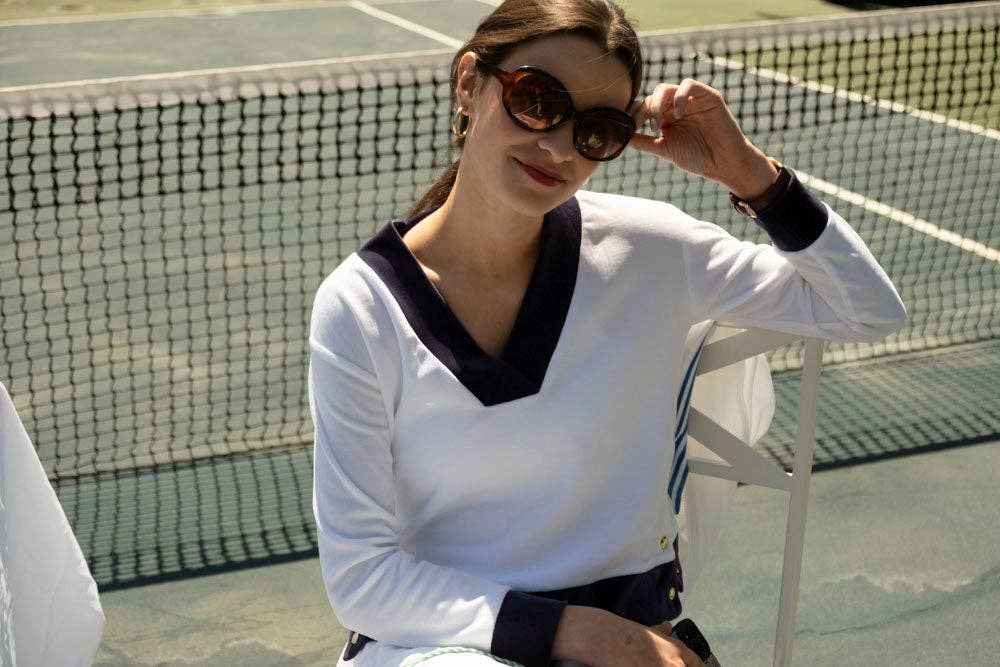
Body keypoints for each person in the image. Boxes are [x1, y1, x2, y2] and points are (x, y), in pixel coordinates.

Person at [308, 1, 906, 665]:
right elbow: (363, 579)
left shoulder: (653, 249)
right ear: (470, 83)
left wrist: (749, 175)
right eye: (537, 100)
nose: (560, 147)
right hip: (443, 646)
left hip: (629, 642)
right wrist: (581, 631)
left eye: (597, 130)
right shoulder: (358, 307)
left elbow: (867, 310)